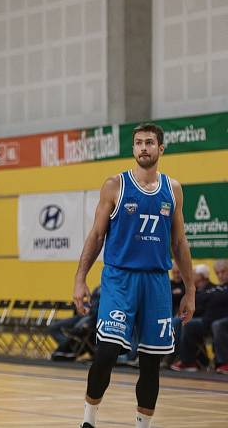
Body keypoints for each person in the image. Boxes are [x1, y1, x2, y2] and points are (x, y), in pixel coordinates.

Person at [73, 123, 195, 428]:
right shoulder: (115, 185)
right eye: (139, 143)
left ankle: (144, 425)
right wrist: (80, 279)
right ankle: (89, 418)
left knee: (152, 362)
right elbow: (96, 235)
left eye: (150, 143)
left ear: (161, 148)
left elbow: (179, 243)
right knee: (107, 352)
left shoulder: (173, 189)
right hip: (119, 279)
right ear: (133, 149)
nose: (144, 148)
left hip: (156, 281)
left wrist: (190, 290)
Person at [171, 259, 228, 373]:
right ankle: (188, 362)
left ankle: (224, 363)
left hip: (219, 321)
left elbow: (207, 300)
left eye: (223, 272)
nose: (220, 275)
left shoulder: (213, 289)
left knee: (217, 325)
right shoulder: (218, 288)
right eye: (217, 273)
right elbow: (200, 300)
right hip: (208, 320)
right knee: (188, 323)